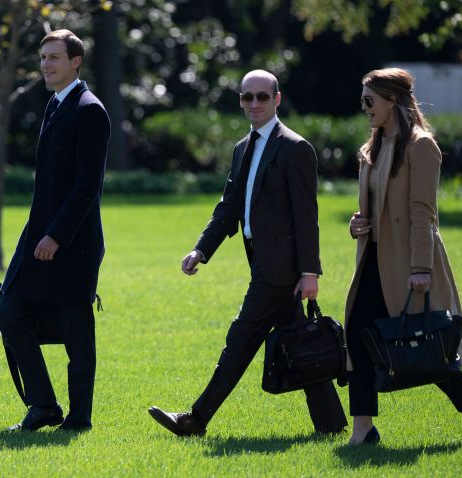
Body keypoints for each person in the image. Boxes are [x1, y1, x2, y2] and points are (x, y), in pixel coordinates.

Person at [148, 70, 347, 437]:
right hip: (261, 262)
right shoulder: (243, 148)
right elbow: (228, 208)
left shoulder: (295, 148)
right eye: (247, 97)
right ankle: (332, 426)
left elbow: (307, 217)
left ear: (277, 100)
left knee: (240, 340)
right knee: (298, 337)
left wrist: (309, 272)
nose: (254, 104)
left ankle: (196, 419)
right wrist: (200, 249)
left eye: (261, 97)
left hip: (281, 269)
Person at [345, 68, 462, 444]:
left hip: (408, 264)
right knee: (357, 335)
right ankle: (363, 430)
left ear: (392, 101)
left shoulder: (420, 146)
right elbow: (373, 205)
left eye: (369, 100)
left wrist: (421, 269)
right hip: (373, 260)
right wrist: (357, 224)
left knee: (425, 345)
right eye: (362, 100)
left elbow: (423, 213)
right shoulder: (374, 147)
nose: (364, 108)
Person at [0, 29, 110, 432]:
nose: (46, 64)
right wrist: (38, 236)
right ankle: (43, 405)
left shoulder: (90, 109)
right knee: (10, 313)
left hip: (73, 243)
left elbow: (87, 187)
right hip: (40, 237)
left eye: (54, 57)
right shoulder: (55, 104)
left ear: (75, 61)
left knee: (77, 331)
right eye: (43, 57)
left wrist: (57, 236)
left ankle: (79, 420)